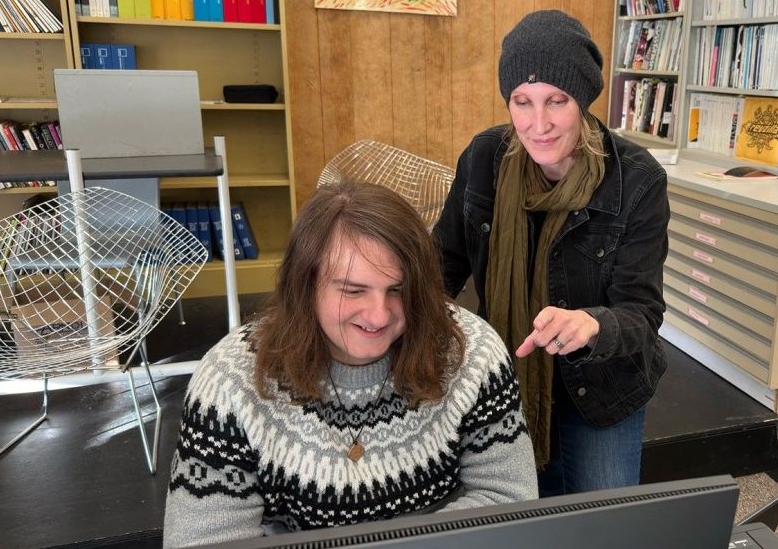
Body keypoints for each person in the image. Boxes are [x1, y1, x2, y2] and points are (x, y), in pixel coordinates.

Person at [163, 181, 537, 547]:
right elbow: (203, 538)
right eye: (353, 290)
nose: (378, 315)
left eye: (398, 290)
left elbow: (508, 495)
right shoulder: (229, 381)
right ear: (306, 285)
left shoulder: (473, 353)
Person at [433, 9, 670, 496]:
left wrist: (594, 323)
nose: (537, 124)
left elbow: (642, 316)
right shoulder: (484, 159)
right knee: (513, 521)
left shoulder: (637, 179)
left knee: (603, 530)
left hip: (603, 388)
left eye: (556, 101)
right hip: (503, 379)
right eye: (522, 102)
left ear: (581, 100)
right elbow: (440, 265)